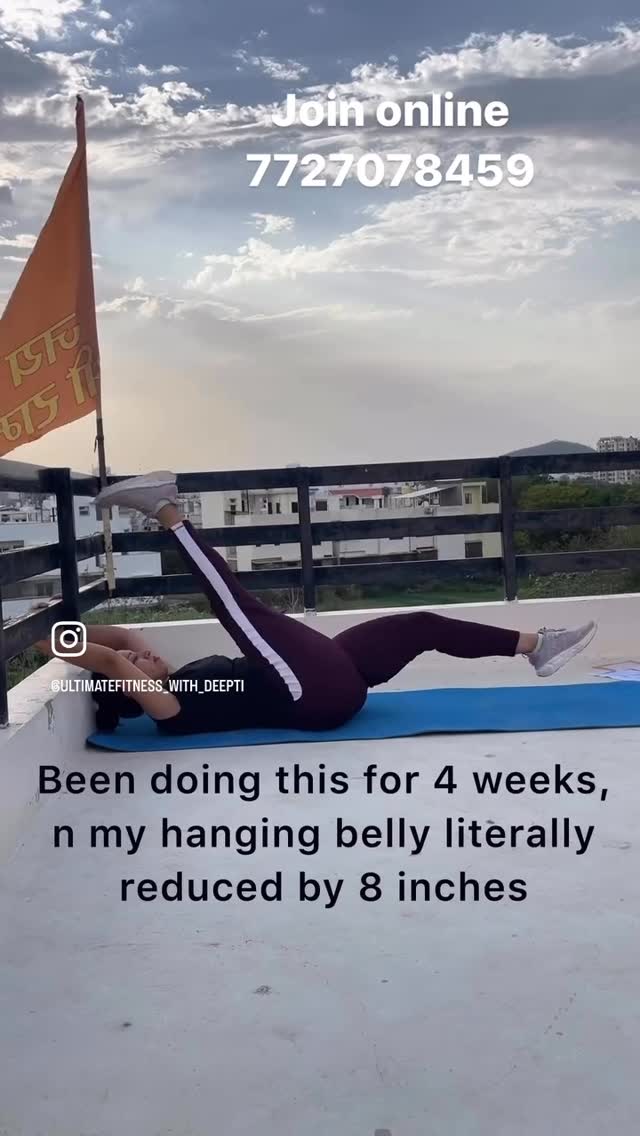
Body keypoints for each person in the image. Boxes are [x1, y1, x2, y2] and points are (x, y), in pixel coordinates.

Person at [37, 472, 598, 736]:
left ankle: (536, 647)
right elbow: (108, 660)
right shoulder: (171, 711)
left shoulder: (172, 676)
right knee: (240, 610)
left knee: (417, 624)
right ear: (133, 691)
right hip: (312, 700)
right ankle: (167, 513)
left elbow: (119, 641)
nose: (142, 654)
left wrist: (53, 630)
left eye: (139, 657)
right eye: (137, 667)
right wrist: (33, 640)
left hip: (320, 677)